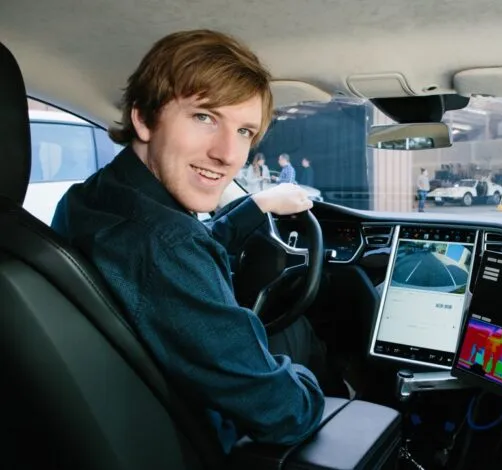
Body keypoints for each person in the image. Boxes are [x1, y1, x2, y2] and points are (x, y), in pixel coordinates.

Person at [50, 29, 329, 453]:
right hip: (200, 440)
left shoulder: (94, 197)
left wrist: (255, 207)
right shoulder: (167, 247)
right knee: (301, 332)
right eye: (205, 117)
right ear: (143, 118)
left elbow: (186, 247)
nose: (228, 154)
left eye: (244, 132)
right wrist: (308, 380)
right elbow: (285, 414)